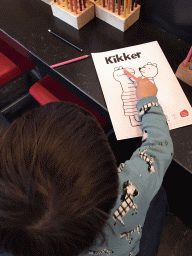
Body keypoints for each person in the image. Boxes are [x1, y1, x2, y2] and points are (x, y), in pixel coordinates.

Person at [0, 77, 173, 256]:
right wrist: (148, 100)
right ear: (111, 178)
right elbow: (159, 146)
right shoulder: (131, 187)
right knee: (158, 195)